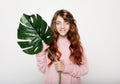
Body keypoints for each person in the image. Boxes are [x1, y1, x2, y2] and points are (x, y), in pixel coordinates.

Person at [36, 9, 89, 84]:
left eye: (66, 23)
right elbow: (44, 69)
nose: (62, 27)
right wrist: (40, 52)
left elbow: (85, 69)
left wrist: (65, 68)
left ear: (70, 25)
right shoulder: (48, 44)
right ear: (54, 25)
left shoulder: (76, 45)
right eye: (58, 23)